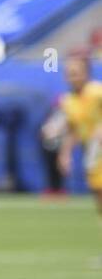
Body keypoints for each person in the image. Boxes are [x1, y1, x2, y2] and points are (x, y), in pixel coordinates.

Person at [57, 53, 102, 248]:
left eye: (76, 73)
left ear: (86, 73)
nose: (72, 77)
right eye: (69, 73)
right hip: (93, 155)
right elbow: (74, 130)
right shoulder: (68, 100)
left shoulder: (96, 92)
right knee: (98, 198)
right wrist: (65, 153)